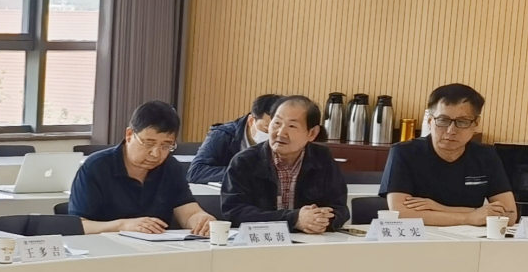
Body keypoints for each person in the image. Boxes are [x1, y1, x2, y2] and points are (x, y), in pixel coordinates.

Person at [382, 83, 518, 227]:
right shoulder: (404, 152)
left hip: (469, 238)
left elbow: (510, 215)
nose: (451, 130)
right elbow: (400, 213)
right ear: (430, 121)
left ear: (475, 124)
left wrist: (440, 208)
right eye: (443, 120)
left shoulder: (486, 155)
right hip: (419, 236)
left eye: (462, 122)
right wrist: (470, 217)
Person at [69, 100, 212, 236]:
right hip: (104, 248)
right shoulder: (96, 167)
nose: (156, 154)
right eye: (149, 144)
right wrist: (122, 225)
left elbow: (189, 213)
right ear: (129, 135)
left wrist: (202, 220)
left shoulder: (170, 167)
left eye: (166, 145)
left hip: (156, 249)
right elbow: (80, 225)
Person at [220, 95, 350, 233]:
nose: (281, 133)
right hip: (260, 240)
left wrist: (320, 220)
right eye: (277, 123)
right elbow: (234, 211)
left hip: (310, 240)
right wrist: (294, 220)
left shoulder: (322, 158)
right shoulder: (245, 161)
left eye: (292, 126)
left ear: (312, 133)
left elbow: (340, 209)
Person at [188, 93, 280, 185]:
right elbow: (196, 172)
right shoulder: (223, 135)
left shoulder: (285, 138)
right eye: (266, 129)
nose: (272, 135)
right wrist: (241, 173)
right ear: (251, 121)